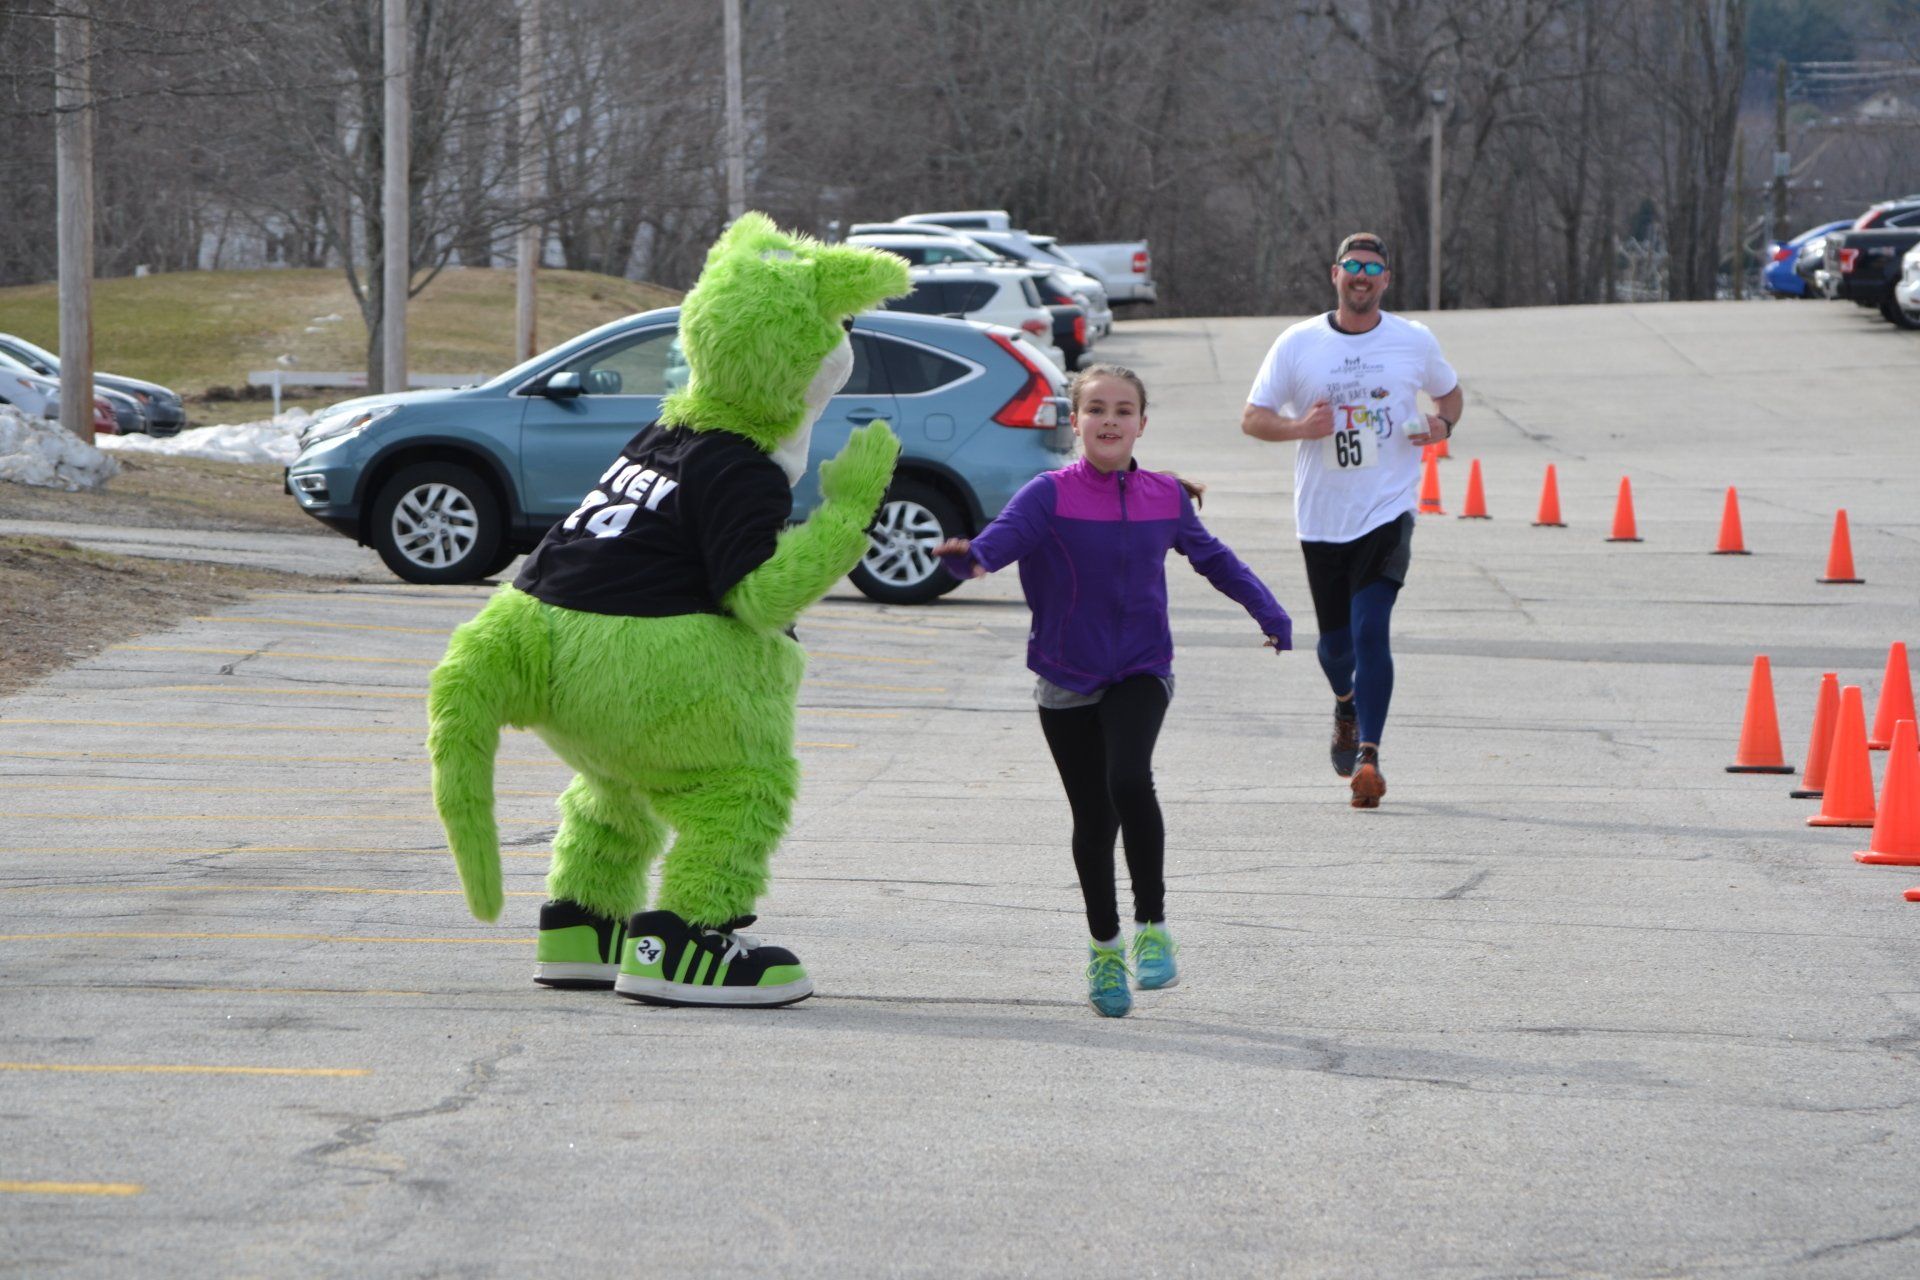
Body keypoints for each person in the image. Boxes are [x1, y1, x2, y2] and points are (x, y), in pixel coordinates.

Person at [935, 364, 1292, 1018]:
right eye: (1096, 409)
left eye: (1123, 410)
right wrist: (966, 560)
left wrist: (1268, 611)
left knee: (1129, 779)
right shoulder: (1047, 495)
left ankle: (1153, 928)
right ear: (1075, 422)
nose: (1109, 420)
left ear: (1141, 424)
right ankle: (1105, 948)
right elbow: (994, 548)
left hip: (1141, 666)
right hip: (1066, 674)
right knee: (1094, 822)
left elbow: (1215, 560)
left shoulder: (1165, 497)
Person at [1240, 232, 1463, 809]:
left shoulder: (1413, 340)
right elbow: (1253, 418)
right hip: (1322, 517)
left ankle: (1370, 756)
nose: (1362, 276)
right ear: (1334, 274)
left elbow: (1451, 396)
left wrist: (1442, 426)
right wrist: (1301, 428)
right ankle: (1345, 704)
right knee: (1336, 648)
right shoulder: (1298, 343)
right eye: (1352, 266)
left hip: (1387, 508)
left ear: (1386, 280)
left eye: (1372, 268)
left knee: (1370, 630)